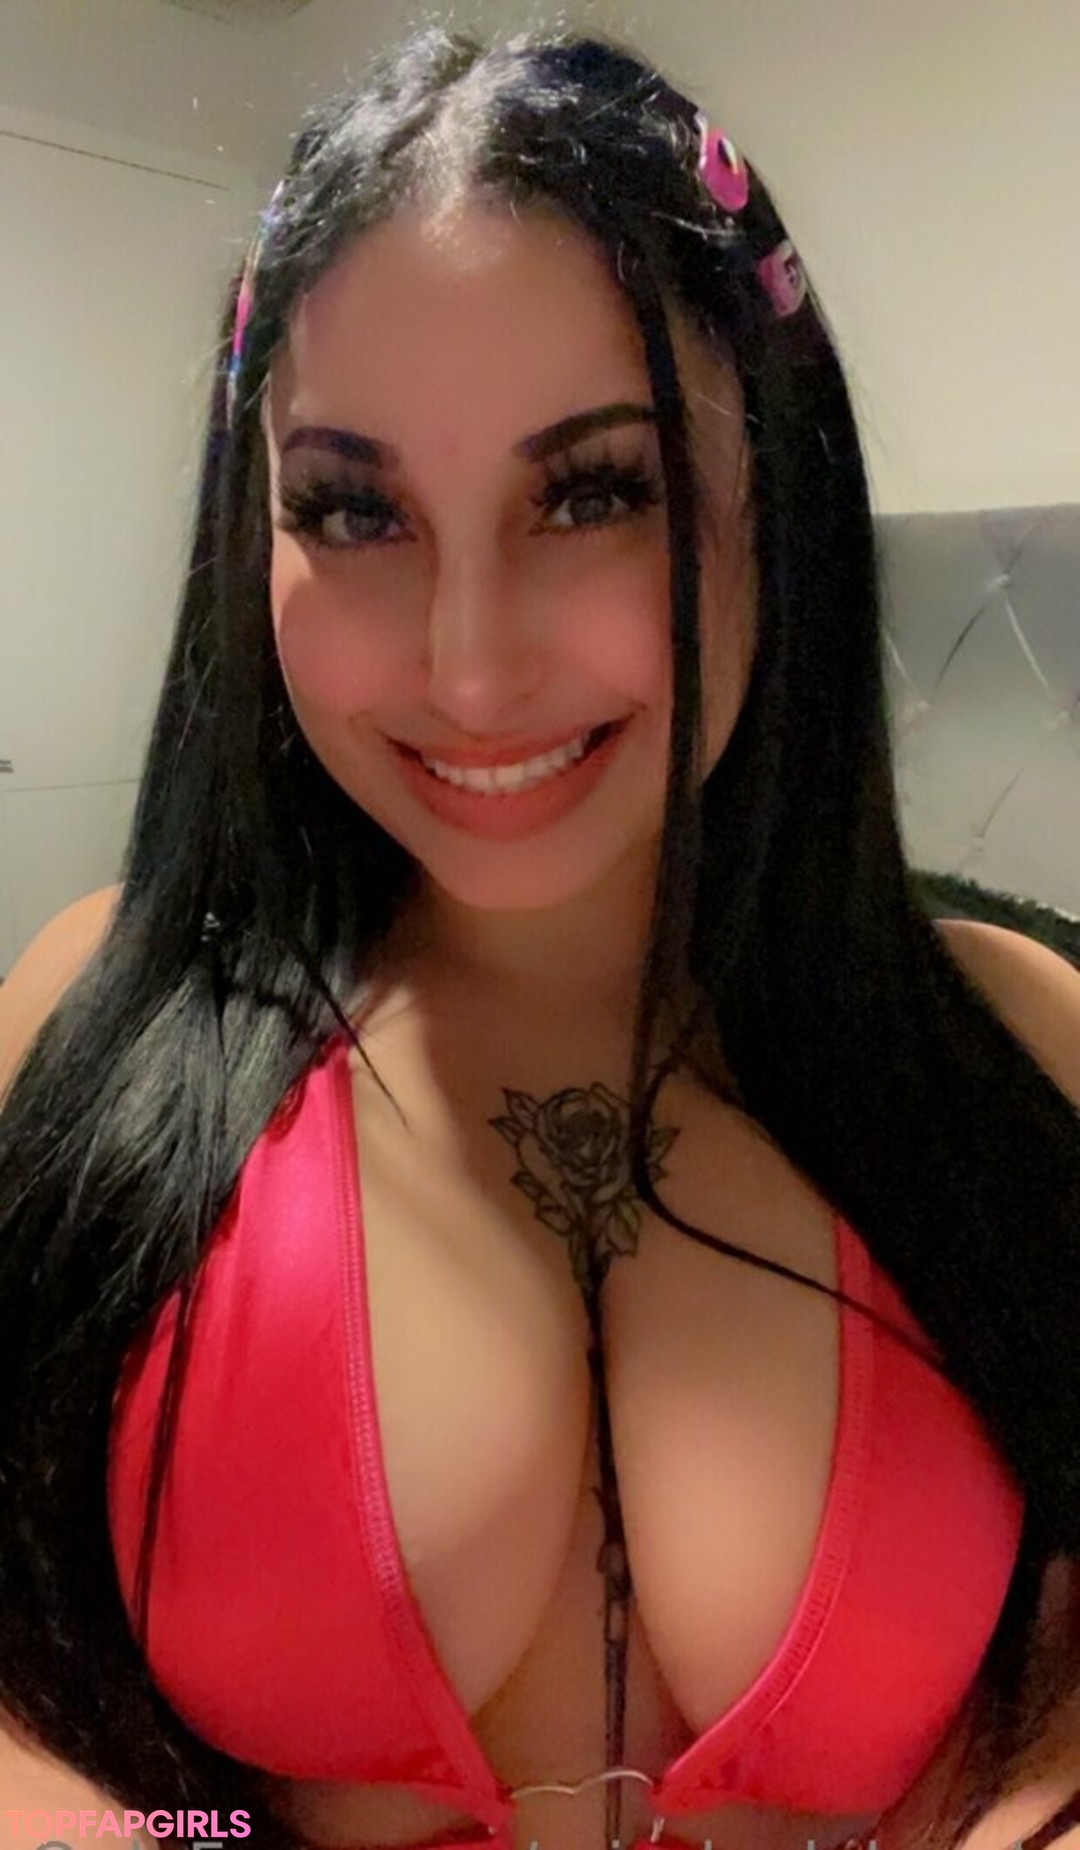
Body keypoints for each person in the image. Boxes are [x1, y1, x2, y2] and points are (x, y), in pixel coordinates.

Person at [0, 21, 1078, 1850]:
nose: (472, 668)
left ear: (775, 496)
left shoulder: (1014, 1049)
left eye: (594, 492)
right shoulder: (90, 1022)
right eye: (354, 509)